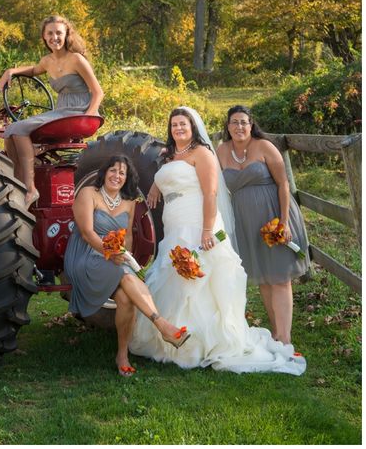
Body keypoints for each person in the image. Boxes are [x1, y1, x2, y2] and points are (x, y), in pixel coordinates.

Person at [129, 106, 306, 375]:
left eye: (183, 125)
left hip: (206, 220)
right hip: (176, 222)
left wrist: (208, 230)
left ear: (193, 128)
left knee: (211, 278)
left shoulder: (205, 153)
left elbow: (211, 193)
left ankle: (219, 338)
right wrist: (155, 185)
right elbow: (170, 175)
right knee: (173, 274)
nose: (178, 128)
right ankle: (173, 333)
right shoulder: (172, 155)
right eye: (174, 124)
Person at [64, 155, 190, 377]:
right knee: (126, 276)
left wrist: (127, 258)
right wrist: (110, 253)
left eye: (122, 173)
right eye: (113, 170)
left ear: (126, 178)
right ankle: (162, 325)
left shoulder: (129, 201)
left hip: (115, 258)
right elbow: (86, 233)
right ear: (104, 173)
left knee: (125, 297)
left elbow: (128, 238)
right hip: (86, 254)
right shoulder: (88, 194)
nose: (117, 176)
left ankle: (122, 355)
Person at [216, 105, 310, 345]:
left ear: (251, 124)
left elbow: (283, 184)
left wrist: (284, 222)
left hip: (274, 216)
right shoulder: (221, 151)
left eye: (243, 122)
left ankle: (286, 338)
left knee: (280, 277)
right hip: (246, 222)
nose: (239, 127)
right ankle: (276, 333)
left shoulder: (265, 147)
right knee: (264, 278)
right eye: (234, 122)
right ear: (227, 126)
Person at [0, 14, 104, 208]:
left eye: (59, 33)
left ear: (66, 35)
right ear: (44, 37)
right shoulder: (47, 61)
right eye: (50, 33)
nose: (55, 37)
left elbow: (98, 92)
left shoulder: (76, 59)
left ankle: (30, 189)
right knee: (10, 131)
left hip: (78, 111)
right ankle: (20, 182)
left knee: (18, 128)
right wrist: (11, 71)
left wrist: (88, 115)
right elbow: (32, 70)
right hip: (61, 110)